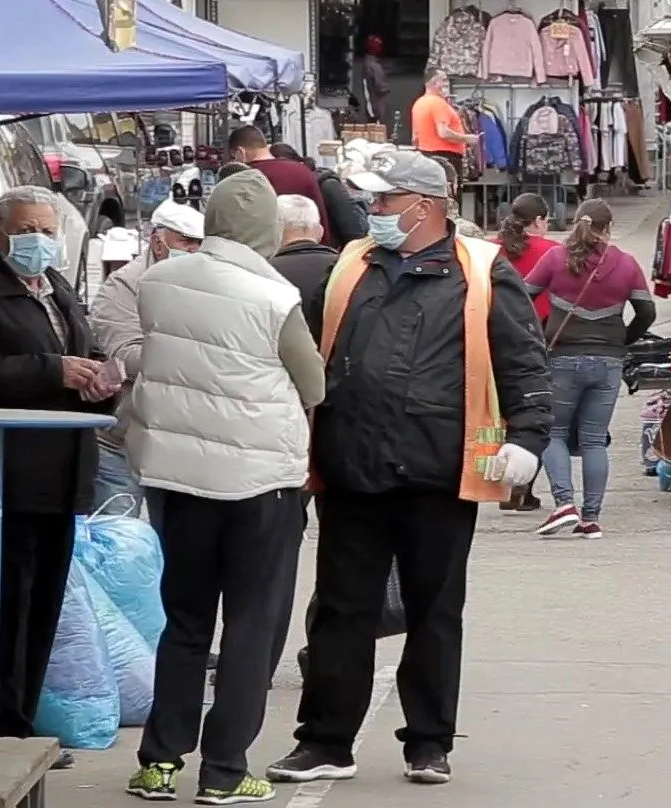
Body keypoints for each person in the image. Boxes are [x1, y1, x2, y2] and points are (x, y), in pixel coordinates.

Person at [268, 150, 550, 787]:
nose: (373, 211)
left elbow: (523, 361)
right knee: (341, 610)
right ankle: (325, 742)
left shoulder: (483, 271)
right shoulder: (350, 265)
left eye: (385, 201)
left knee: (434, 610)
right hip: (352, 466)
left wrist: (528, 436)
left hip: (438, 470)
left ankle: (428, 742)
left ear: (424, 207)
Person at [125, 170, 327, 805]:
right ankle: (225, 771)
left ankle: (159, 761)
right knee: (249, 627)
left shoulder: (159, 281)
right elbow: (315, 384)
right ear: (267, 231)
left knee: (184, 622)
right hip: (259, 486)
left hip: (178, 479)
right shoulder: (274, 296)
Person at [0, 186, 112, 770]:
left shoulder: (56, 288)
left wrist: (96, 380)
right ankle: (4, 729)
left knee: (43, 609)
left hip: (63, 474)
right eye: (27, 230)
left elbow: (80, 354)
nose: (39, 242)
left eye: (47, 231)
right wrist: (52, 371)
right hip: (8, 476)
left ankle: (23, 724)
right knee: (10, 604)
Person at [523, 199, 656, 538]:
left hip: (562, 358)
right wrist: (623, 340)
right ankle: (590, 518)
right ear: (608, 227)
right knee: (594, 440)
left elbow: (522, 297)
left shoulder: (555, 258)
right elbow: (647, 313)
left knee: (554, 432)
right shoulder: (626, 264)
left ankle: (564, 503)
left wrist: (537, 334)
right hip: (609, 361)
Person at [87, 199, 204, 513]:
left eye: (200, 243)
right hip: (124, 439)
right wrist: (194, 351)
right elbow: (125, 354)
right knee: (117, 530)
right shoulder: (124, 286)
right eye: (186, 242)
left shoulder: (205, 285)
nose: (195, 250)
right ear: (158, 241)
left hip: (181, 440)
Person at [495, 193, 558, 512]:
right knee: (532, 410)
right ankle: (522, 485)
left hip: (493, 337)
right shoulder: (552, 251)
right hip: (539, 338)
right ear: (539, 220)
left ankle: (500, 482)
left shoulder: (489, 250)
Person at [227, 124, 367, 246]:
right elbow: (321, 218)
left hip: (271, 258)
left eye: (234, 157)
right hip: (316, 252)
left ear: (240, 153)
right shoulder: (303, 171)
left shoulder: (245, 179)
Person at [410, 71, 479, 198]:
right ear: (435, 82)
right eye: (444, 80)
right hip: (446, 158)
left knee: (432, 197)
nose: (446, 84)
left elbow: (415, 137)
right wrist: (467, 139)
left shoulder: (419, 103)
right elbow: (443, 132)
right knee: (450, 198)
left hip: (426, 155)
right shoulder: (439, 103)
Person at [360, 34, 391, 122]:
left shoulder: (366, 63)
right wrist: (387, 87)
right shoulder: (374, 66)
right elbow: (380, 88)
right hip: (376, 105)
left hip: (371, 103)